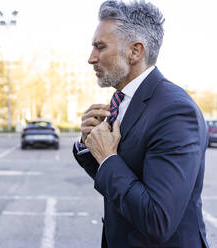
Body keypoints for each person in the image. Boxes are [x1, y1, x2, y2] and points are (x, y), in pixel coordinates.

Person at [72, 1, 209, 247]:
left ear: (135, 51)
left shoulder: (175, 111)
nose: (91, 59)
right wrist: (88, 143)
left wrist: (107, 158)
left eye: (100, 47)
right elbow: (120, 179)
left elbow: (157, 219)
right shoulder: (121, 100)